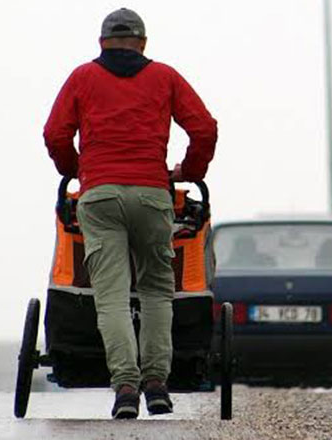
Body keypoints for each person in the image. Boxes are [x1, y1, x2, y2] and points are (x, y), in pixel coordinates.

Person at [43, 8, 217, 419]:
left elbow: (55, 133)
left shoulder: (82, 77)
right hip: (154, 195)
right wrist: (189, 172)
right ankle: (156, 383)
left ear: (101, 42)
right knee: (158, 290)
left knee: (112, 296)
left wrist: (75, 168)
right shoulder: (165, 77)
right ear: (143, 43)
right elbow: (205, 129)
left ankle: (124, 387)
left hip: (100, 196)